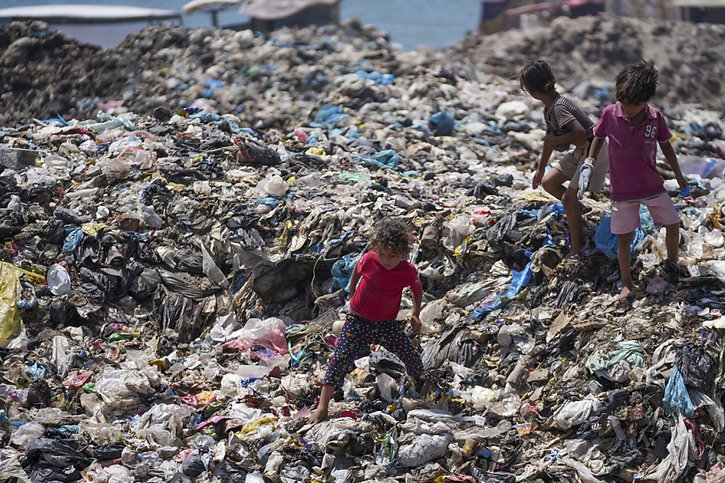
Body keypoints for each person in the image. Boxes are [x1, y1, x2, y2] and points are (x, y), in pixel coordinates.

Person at [587, 60, 687, 299]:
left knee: (672, 224)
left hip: (652, 185)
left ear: (645, 101)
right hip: (622, 190)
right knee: (624, 237)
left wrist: (680, 176)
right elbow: (598, 137)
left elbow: (667, 148)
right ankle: (626, 283)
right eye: (623, 102)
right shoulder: (610, 114)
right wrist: (589, 162)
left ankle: (671, 265)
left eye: (632, 105)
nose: (626, 108)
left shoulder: (656, 118)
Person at [309, 219, 424, 423]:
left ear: (404, 253)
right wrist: (352, 294)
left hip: (386, 324)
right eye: (383, 254)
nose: (386, 260)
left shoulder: (408, 271)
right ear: (376, 249)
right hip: (358, 321)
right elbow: (356, 272)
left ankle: (418, 385)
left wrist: (415, 313)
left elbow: (417, 290)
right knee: (339, 360)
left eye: (392, 256)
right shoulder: (369, 260)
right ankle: (322, 407)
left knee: (410, 355)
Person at [519, 60, 610, 257]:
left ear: (532, 92)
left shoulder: (559, 107)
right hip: (581, 150)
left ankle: (577, 248)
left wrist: (556, 138)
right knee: (549, 182)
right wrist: (540, 169)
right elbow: (549, 141)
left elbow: (579, 134)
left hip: (594, 150)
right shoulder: (549, 108)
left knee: (568, 198)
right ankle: (575, 210)